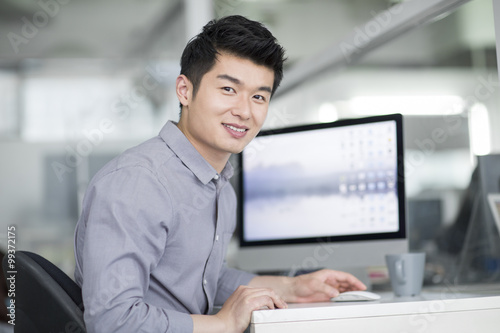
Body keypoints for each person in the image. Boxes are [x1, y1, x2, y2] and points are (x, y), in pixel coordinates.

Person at [74, 15, 366, 333]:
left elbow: (204, 276)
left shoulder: (220, 188)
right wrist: (223, 324)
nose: (244, 110)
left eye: (259, 96)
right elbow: (112, 321)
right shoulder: (138, 182)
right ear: (185, 91)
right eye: (228, 89)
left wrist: (291, 287)